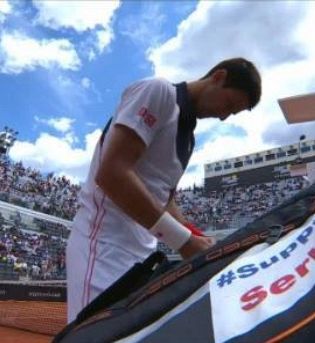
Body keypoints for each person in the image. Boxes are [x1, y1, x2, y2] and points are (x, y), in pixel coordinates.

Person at [66, 57, 262, 322]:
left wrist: (198, 238)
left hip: (143, 256)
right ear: (218, 77)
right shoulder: (158, 92)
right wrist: (182, 241)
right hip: (103, 246)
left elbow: (165, 199)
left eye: (232, 113)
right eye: (228, 104)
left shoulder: (188, 139)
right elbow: (112, 174)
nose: (224, 116)